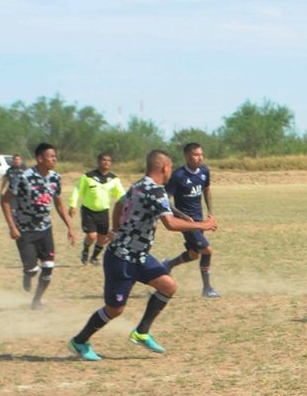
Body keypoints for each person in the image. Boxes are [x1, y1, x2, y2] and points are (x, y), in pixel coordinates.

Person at [68, 150, 218, 361]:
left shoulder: (140, 185)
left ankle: (141, 332)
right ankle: (80, 341)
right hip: (121, 259)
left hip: (139, 256)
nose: (170, 172)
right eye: (170, 167)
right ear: (164, 168)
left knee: (168, 286)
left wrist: (117, 226)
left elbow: (120, 204)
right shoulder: (156, 190)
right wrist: (205, 224)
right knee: (114, 310)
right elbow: (170, 224)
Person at [0, 143, 76, 309]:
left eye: (55, 156)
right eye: (51, 156)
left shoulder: (55, 177)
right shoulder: (24, 177)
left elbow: (59, 203)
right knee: (33, 270)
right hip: (24, 230)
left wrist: (70, 227)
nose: (54, 159)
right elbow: (5, 200)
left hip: (45, 229)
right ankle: (28, 273)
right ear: (40, 158)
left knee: (48, 267)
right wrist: (12, 226)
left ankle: (36, 301)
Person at [162, 143, 220, 298]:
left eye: (201, 154)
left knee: (194, 254)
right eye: (196, 154)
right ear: (187, 156)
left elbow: (207, 190)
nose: (199, 157)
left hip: (199, 219)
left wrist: (210, 213)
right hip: (187, 223)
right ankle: (207, 288)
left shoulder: (204, 171)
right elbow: (165, 201)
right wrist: (181, 215)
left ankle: (168, 264)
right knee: (207, 250)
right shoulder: (177, 176)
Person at [68, 153, 127, 265]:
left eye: (109, 160)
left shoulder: (114, 179)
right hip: (88, 211)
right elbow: (77, 190)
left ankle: (94, 258)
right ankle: (85, 252)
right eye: (104, 160)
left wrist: (128, 206)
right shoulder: (88, 177)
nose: (106, 162)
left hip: (103, 212)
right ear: (98, 162)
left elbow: (121, 195)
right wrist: (72, 205)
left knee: (102, 238)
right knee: (91, 235)